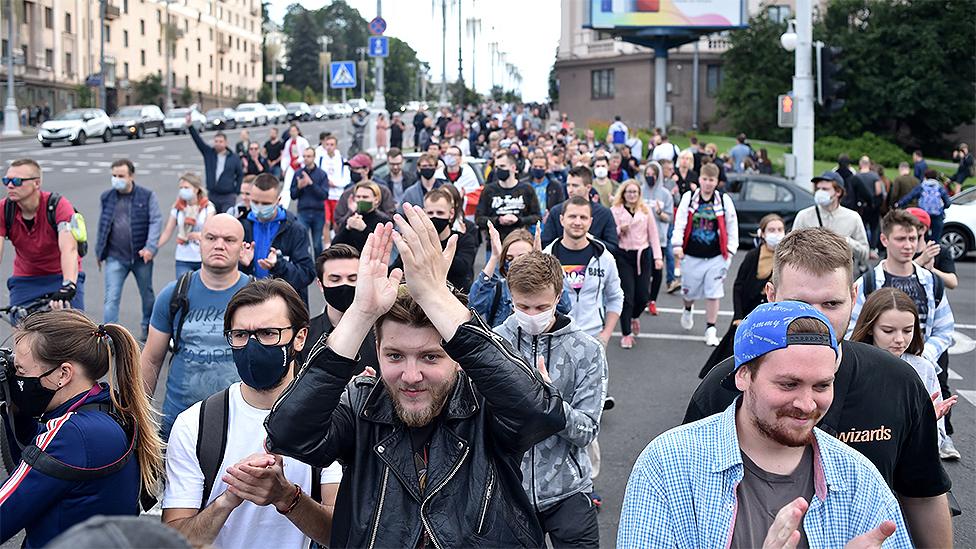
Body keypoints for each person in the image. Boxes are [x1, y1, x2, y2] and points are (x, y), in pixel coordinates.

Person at [263, 212, 566, 548]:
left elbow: (540, 414)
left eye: (430, 357)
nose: (411, 376)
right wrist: (360, 313)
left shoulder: (485, 405)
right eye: (394, 356)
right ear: (376, 351)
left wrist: (436, 298)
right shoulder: (361, 406)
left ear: (459, 357)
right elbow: (288, 433)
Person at [684, 228, 953, 547]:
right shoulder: (725, 385)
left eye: (831, 303)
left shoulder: (899, 382)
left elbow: (923, 495)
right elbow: (690, 495)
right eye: (798, 303)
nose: (815, 319)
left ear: (854, 297)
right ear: (771, 296)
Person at [620, 301, 912, 548]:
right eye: (788, 384)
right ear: (743, 375)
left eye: (822, 386)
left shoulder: (859, 479)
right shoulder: (669, 465)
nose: (807, 404)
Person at [161, 279, 342, 549]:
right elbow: (175, 542)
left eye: (269, 333)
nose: (253, 346)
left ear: (300, 337)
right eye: (241, 335)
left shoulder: (332, 421)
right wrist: (229, 498)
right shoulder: (196, 424)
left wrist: (286, 497)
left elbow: (339, 534)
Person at [0, 310, 164, 548]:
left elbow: (6, 510)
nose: (16, 378)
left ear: (63, 374)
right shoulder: (107, 406)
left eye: (21, 371)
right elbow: (33, 460)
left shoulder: (73, 434)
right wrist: (17, 409)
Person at [494, 252, 606, 548]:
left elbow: (587, 431)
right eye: (523, 306)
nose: (532, 315)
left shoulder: (587, 350)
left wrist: (550, 403)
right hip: (508, 489)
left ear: (559, 295)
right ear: (510, 296)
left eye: (541, 307)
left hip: (568, 491)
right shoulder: (495, 343)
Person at [141, 214, 253, 439]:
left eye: (229, 240)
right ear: (199, 242)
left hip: (240, 425)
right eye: (211, 238)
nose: (219, 245)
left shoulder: (257, 296)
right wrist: (136, 417)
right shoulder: (173, 294)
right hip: (179, 424)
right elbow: (152, 360)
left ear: (243, 248)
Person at [850, 287, 957, 449]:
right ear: (870, 328)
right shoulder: (851, 365)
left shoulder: (924, 369)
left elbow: (938, 440)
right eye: (888, 330)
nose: (900, 339)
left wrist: (926, 425)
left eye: (908, 330)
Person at [700, 214, 784, 378]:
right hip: (749, 310)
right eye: (772, 230)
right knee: (732, 350)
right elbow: (738, 286)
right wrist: (738, 316)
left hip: (773, 313)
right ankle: (719, 380)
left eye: (780, 229)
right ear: (762, 233)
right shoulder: (753, 255)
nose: (776, 233)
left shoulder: (787, 258)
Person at [0, 158, 84, 311]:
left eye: (17, 181)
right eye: (6, 180)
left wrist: (68, 284)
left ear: (37, 183)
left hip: (61, 275)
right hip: (26, 278)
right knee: (21, 329)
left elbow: (69, 249)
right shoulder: (4, 209)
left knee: (74, 330)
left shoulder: (58, 205)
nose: (10, 185)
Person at [672, 162, 739, 347]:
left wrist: (731, 250)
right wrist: (677, 246)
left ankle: (711, 328)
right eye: (705, 179)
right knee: (689, 291)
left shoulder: (723, 200)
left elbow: (732, 225)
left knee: (714, 293)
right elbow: (680, 222)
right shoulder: (690, 197)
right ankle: (688, 308)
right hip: (692, 255)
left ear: (717, 181)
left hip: (716, 256)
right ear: (699, 179)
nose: (708, 183)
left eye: (712, 180)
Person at [97, 159, 162, 340]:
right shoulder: (107, 197)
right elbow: (103, 225)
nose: (117, 179)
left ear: (131, 176)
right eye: (114, 176)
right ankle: (110, 338)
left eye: (121, 176)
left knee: (147, 295)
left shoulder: (147, 196)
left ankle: (147, 328)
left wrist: (150, 247)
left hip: (141, 257)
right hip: (115, 257)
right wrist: (99, 251)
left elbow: (156, 220)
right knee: (111, 298)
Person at [470, 224, 572, 327]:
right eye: (509, 258)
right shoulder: (498, 289)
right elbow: (474, 307)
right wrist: (494, 257)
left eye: (522, 257)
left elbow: (565, 307)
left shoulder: (546, 287)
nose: (515, 263)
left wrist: (541, 262)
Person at [298, 244, 378, 371]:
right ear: (320, 284)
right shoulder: (305, 337)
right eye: (335, 279)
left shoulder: (379, 334)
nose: (344, 284)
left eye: (353, 279)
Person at [238, 174, 316, 304]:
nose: (260, 208)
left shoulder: (295, 230)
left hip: (283, 304)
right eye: (255, 202)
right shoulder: (241, 226)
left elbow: (307, 274)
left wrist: (278, 265)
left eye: (266, 203)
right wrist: (242, 265)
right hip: (249, 303)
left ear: (278, 200)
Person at [610, 180, 662, 349]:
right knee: (627, 295)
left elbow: (653, 235)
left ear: (639, 194)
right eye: (629, 192)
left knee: (643, 296)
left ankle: (634, 317)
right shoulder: (615, 211)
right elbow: (611, 234)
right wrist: (619, 230)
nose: (632, 195)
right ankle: (626, 333)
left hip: (643, 254)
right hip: (624, 255)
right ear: (623, 193)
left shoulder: (645, 210)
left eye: (635, 192)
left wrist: (657, 258)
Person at [792, 171, 870, 272]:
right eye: (818, 189)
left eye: (825, 189)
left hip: (840, 278)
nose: (819, 193)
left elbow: (865, 254)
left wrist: (846, 242)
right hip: (810, 275)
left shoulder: (853, 218)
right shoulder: (804, 216)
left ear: (838, 192)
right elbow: (791, 250)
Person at [542, 167, 618, 253]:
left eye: (575, 185)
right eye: (568, 185)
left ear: (588, 187)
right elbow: (546, 242)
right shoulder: (556, 211)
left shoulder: (604, 213)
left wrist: (589, 240)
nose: (570, 190)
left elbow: (613, 247)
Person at [157, 173, 216, 278]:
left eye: (186, 188)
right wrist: (153, 248)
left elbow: (210, 231)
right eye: (181, 188)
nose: (183, 190)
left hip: (201, 257)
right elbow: (167, 232)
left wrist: (199, 235)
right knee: (183, 290)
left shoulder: (208, 208)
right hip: (183, 257)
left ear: (196, 189)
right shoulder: (177, 208)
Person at [475, 151, 542, 243]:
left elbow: (537, 216)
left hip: (521, 242)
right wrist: (498, 220)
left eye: (502, 166)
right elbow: (479, 219)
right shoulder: (488, 190)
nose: (498, 170)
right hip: (495, 243)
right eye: (496, 167)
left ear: (513, 167)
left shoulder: (526, 189)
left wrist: (519, 220)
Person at [331, 153, 396, 231]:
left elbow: (391, 219)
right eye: (351, 169)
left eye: (356, 169)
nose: (352, 172)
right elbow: (338, 222)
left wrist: (372, 209)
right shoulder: (347, 193)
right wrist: (351, 212)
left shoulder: (382, 191)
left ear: (366, 170)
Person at [641, 162, 673, 315]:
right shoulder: (640, 191)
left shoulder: (665, 194)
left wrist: (660, 213)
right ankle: (643, 298)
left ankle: (652, 300)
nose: (649, 177)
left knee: (657, 271)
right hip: (641, 239)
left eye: (652, 175)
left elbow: (669, 219)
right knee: (644, 272)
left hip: (659, 239)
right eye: (647, 174)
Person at [188, 124, 242, 215]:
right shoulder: (209, 154)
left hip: (228, 196)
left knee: (226, 219)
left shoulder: (234, 157)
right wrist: (190, 126)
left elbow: (240, 174)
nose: (218, 143)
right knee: (211, 219)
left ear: (226, 143)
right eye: (216, 141)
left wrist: (237, 191)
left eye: (221, 141)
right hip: (213, 194)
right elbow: (198, 141)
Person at [289, 147, 330, 257]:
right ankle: (305, 268)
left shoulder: (322, 174)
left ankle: (319, 268)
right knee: (302, 241)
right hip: (303, 212)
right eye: (304, 156)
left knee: (317, 244)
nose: (306, 159)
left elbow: (324, 195)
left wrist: (311, 184)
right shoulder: (298, 173)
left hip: (318, 213)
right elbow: (293, 195)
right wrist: (299, 187)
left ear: (314, 157)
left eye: (309, 156)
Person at [332, 181, 392, 253]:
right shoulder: (352, 217)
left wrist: (364, 229)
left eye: (365, 197)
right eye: (358, 197)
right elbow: (335, 245)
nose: (361, 200)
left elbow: (380, 247)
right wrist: (347, 228)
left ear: (376, 199)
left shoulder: (383, 220)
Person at [894, 169, 951, 242]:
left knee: (922, 237)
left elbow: (910, 196)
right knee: (935, 239)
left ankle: (922, 251)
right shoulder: (940, 187)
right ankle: (934, 251)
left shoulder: (922, 186)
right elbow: (948, 203)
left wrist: (899, 203)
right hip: (937, 216)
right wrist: (941, 208)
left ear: (925, 177)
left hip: (923, 215)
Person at [314, 134, 349, 247]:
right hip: (325, 196)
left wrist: (336, 184)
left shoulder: (342, 160)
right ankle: (327, 246)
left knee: (336, 223)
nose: (329, 147)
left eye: (332, 144)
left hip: (337, 196)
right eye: (327, 144)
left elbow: (347, 179)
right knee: (326, 222)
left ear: (336, 146)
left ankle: (337, 244)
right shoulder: (320, 159)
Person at [435, 145, 481, 216]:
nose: (449, 157)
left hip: (464, 213)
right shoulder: (438, 174)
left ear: (460, 158)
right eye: (447, 154)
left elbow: (475, 192)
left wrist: (463, 193)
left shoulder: (468, 173)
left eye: (453, 155)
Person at [281, 125, 311, 210]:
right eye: (291, 131)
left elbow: (307, 153)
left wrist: (299, 160)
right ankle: (283, 206)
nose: (293, 133)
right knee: (286, 187)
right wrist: (284, 167)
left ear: (298, 131)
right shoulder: (288, 142)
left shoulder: (303, 141)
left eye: (294, 131)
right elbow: (286, 156)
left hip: (301, 166)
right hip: (291, 166)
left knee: (303, 186)